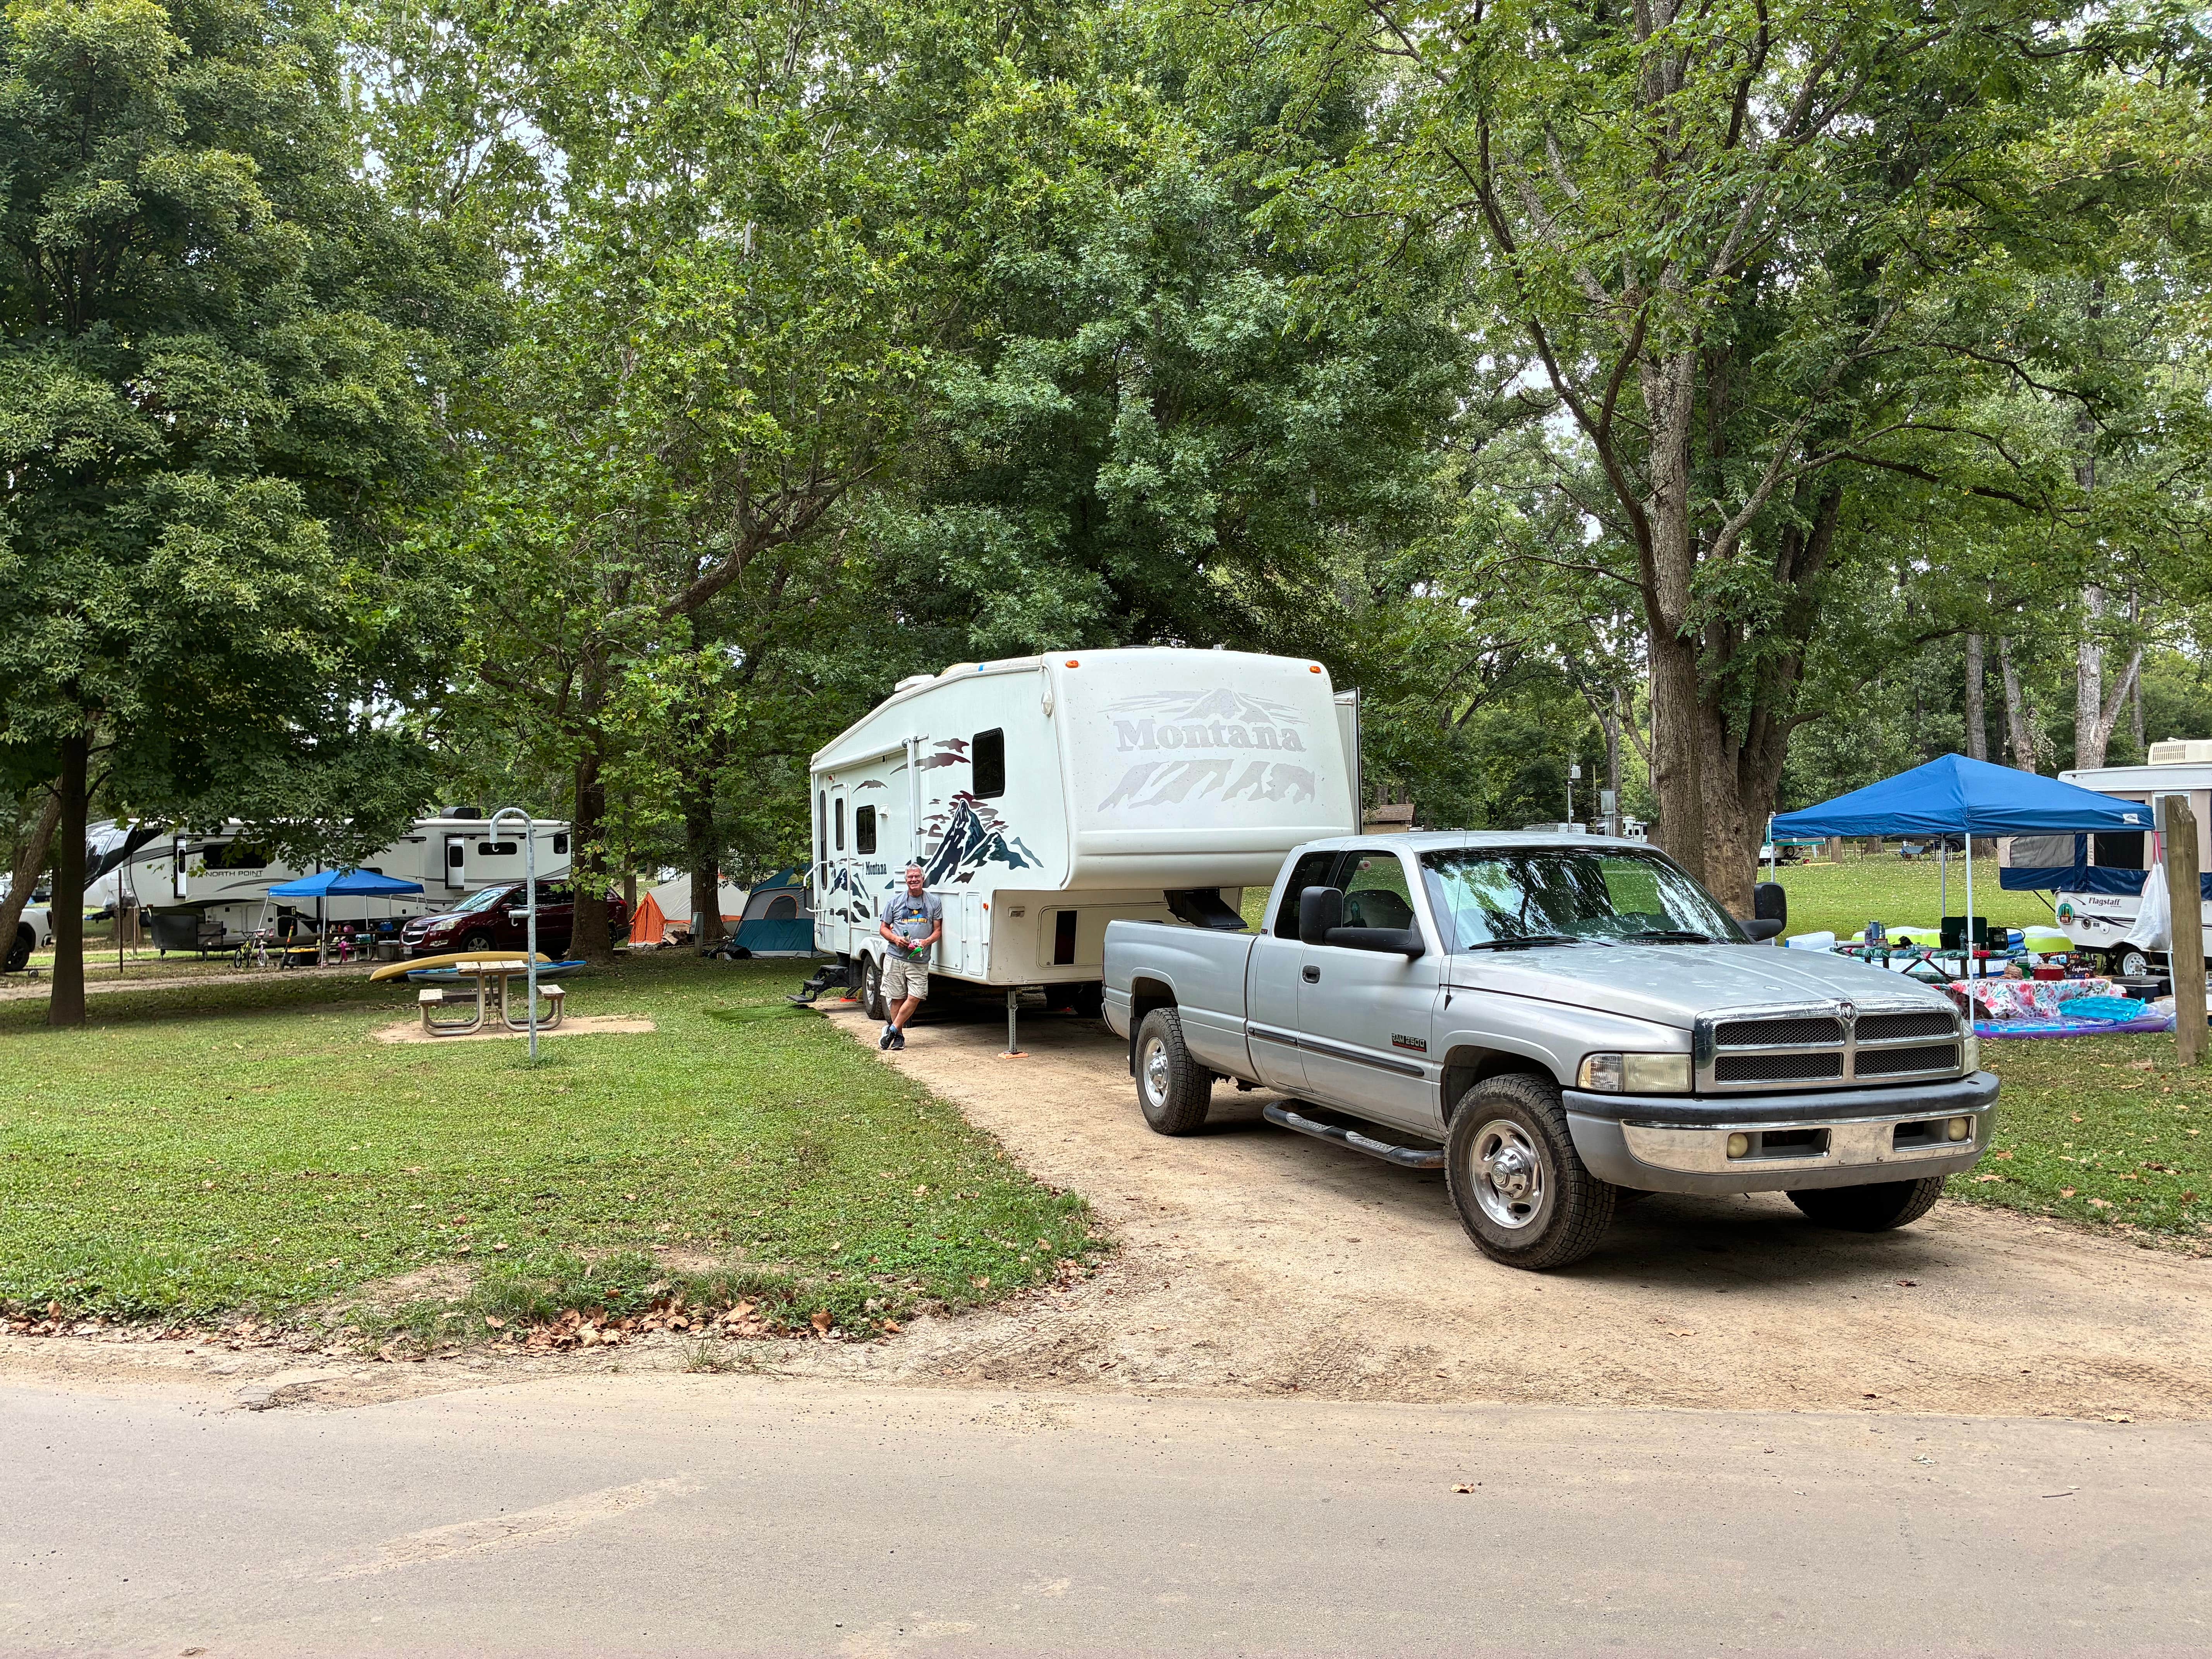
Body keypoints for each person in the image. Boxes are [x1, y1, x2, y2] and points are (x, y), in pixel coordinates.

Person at [876, 865, 942, 1051]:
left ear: (923, 879)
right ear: (906, 880)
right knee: (897, 998)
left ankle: (892, 1030)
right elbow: (883, 929)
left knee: (916, 996)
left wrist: (926, 942)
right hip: (896, 957)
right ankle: (899, 1038)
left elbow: (938, 931)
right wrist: (896, 939)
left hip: (919, 959)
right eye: (910, 877)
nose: (914, 880)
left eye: (917, 877)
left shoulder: (933, 902)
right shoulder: (895, 902)